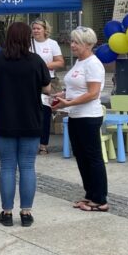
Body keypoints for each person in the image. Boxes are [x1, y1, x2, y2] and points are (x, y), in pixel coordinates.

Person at [0, 22, 51, 227]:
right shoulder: (36, 60)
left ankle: (6, 212)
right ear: (27, 38)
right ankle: (26, 213)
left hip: (4, 119)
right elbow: (47, 89)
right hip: (30, 119)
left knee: (7, 166)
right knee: (28, 166)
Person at [53, 26, 109, 212]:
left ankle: (100, 198)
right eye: (72, 41)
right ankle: (90, 194)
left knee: (92, 157)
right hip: (75, 115)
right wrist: (62, 95)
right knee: (81, 157)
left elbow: (93, 94)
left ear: (88, 44)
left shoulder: (93, 64)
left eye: (76, 42)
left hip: (89, 116)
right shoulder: (78, 63)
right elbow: (76, 89)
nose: (72, 45)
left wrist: (68, 103)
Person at [30, 19, 65, 155]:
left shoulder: (52, 44)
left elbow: (60, 62)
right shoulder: (28, 44)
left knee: (45, 113)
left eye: (38, 28)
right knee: (32, 113)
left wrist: (42, 66)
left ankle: (43, 144)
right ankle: (31, 142)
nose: (36, 31)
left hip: (47, 81)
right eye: (34, 28)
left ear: (45, 30)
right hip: (31, 82)